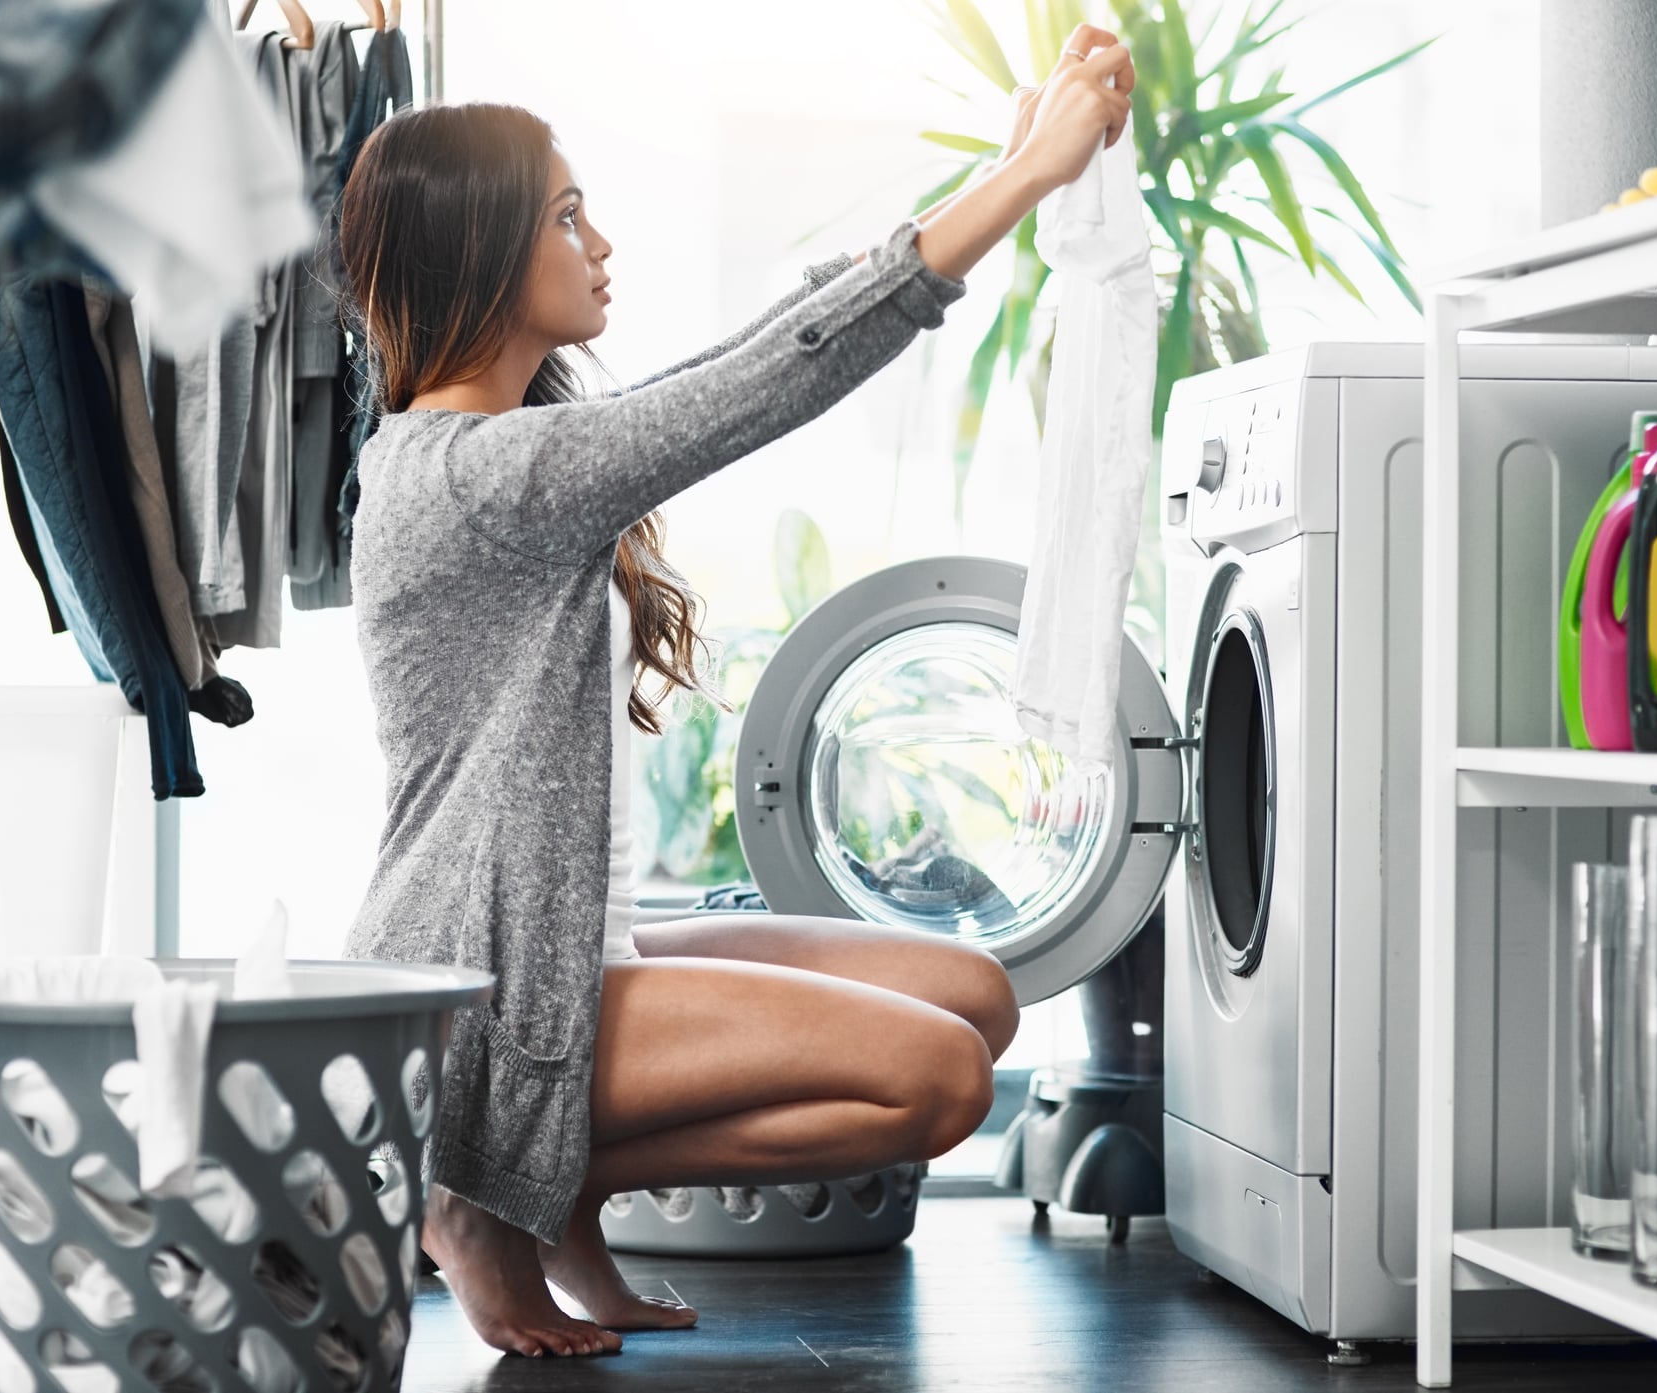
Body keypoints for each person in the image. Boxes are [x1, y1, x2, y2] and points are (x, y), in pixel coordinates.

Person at [337, 23, 1137, 1359]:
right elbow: (780, 379)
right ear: (479, 252)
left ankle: (559, 1182)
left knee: (983, 995)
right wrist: (1028, 184)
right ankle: (487, 1192)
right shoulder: (473, 474)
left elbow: (761, 345)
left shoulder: (507, 449)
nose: (600, 244)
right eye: (566, 216)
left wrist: (1006, 169)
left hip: (575, 947)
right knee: (942, 1075)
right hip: (488, 990)